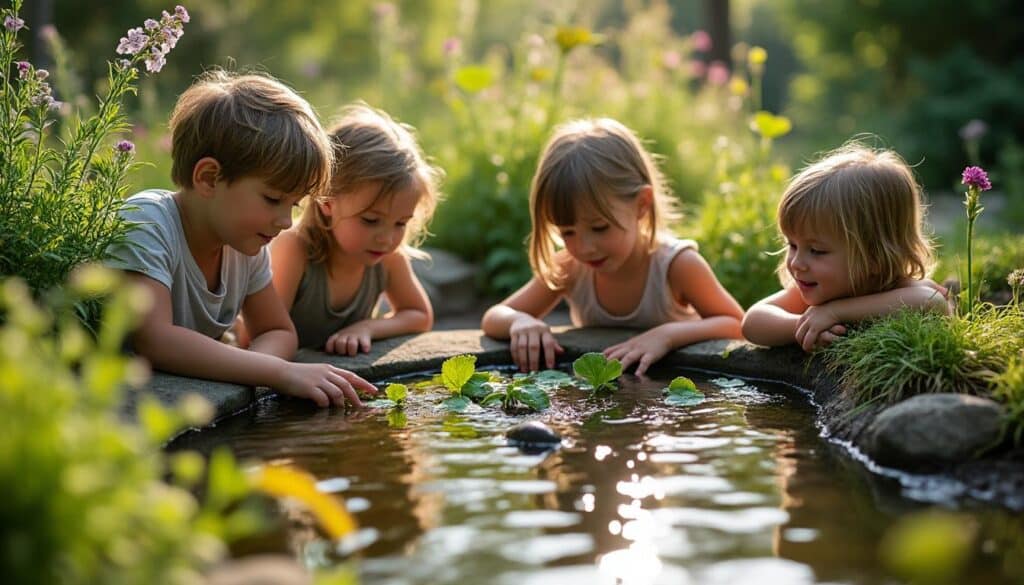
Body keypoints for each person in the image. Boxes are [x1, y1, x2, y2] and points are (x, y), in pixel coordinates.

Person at [105, 71, 376, 408]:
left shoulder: (243, 244)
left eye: (294, 204)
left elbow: (279, 332)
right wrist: (278, 373)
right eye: (273, 199)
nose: (284, 221)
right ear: (208, 178)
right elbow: (156, 339)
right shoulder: (148, 223)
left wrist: (253, 368)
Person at [482, 118, 744, 375]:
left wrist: (667, 335)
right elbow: (494, 317)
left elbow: (736, 324)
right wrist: (520, 321)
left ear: (642, 204)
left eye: (599, 228)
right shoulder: (570, 267)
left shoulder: (676, 266)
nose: (584, 248)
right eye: (567, 232)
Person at [265, 104, 441, 353]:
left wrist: (367, 328)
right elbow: (262, 332)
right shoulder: (294, 248)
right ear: (327, 201)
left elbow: (419, 314)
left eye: (401, 223)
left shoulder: (389, 258)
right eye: (370, 220)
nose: (387, 238)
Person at [741, 142, 949, 351]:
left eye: (816, 251)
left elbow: (933, 302)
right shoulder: (816, 288)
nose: (796, 263)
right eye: (792, 245)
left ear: (874, 256)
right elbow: (753, 321)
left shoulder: (898, 288)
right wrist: (805, 326)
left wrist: (836, 312)